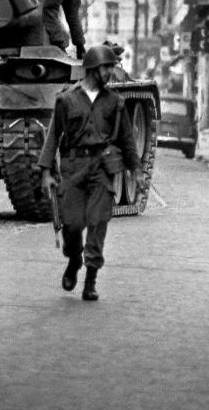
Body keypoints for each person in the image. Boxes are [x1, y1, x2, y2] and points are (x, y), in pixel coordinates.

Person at [37, 45, 146, 301]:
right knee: (73, 225)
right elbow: (53, 136)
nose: (110, 72)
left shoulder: (115, 103)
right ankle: (74, 260)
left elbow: (127, 141)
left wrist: (137, 171)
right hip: (73, 167)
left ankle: (90, 281)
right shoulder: (66, 100)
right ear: (92, 68)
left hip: (101, 168)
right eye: (106, 67)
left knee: (98, 222)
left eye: (111, 67)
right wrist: (45, 172)